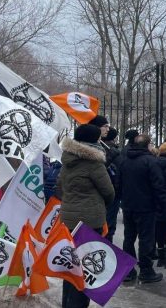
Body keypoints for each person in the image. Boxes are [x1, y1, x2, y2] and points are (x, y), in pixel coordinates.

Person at [56, 124, 115, 308]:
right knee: (86, 267)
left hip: (68, 220)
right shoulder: (94, 163)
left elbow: (59, 187)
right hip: (90, 221)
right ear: (93, 140)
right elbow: (109, 192)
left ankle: (67, 302)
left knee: (71, 265)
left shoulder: (67, 159)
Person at [118, 134, 165, 284]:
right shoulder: (150, 161)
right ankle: (146, 270)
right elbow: (158, 185)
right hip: (146, 207)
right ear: (147, 145)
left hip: (128, 205)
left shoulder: (124, 161)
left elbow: (118, 183)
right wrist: (160, 205)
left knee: (129, 237)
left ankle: (129, 270)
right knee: (146, 239)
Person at [102, 126, 123, 243]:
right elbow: (121, 172)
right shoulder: (115, 152)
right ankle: (108, 244)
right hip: (113, 190)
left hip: (100, 190)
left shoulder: (99, 148)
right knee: (109, 221)